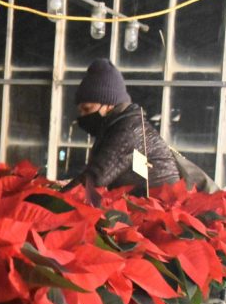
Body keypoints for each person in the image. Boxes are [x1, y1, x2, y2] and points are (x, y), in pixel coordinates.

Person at [62, 59, 180, 203]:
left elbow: (96, 177)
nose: (82, 116)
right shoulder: (118, 127)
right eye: (80, 110)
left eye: (87, 109)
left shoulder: (128, 131)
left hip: (159, 211)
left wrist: (53, 198)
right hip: (147, 207)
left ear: (109, 105)